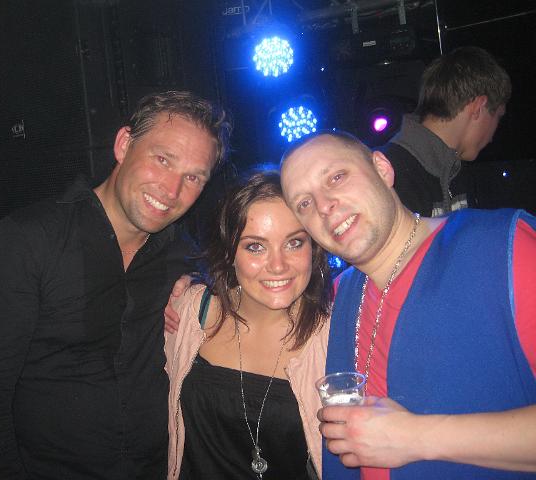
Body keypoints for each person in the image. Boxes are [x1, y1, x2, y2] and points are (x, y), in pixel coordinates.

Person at [0, 90, 231, 480]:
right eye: (163, 159)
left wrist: (197, 283)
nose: (172, 190)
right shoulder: (29, 240)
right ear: (124, 145)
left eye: (193, 177)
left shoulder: (181, 255)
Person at [280, 131, 536, 479]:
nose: (324, 206)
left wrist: (415, 437)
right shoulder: (338, 297)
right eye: (304, 204)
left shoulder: (503, 249)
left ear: (382, 169)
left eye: (336, 177)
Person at [164, 171, 333, 479]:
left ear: (314, 247)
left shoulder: (334, 334)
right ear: (229, 253)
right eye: (255, 246)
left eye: (294, 242)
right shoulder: (189, 311)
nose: (278, 265)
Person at [380, 46, 511, 217]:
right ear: (478, 108)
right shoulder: (388, 174)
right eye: (497, 117)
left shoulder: (457, 170)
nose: (492, 137)